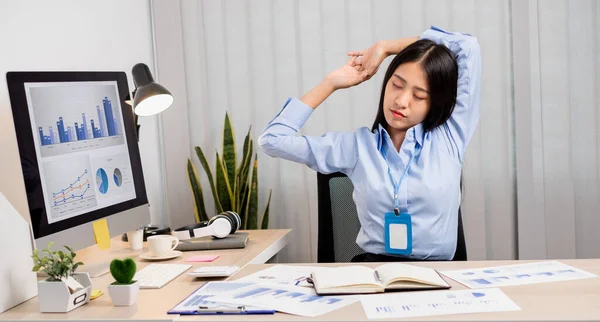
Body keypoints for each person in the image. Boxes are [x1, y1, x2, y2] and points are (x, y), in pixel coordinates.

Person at [258, 26, 481, 262]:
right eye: (396, 85)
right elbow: (273, 140)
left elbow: (466, 46)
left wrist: (386, 47)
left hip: (439, 278)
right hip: (374, 276)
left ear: (434, 103)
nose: (401, 101)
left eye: (419, 96)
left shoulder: (450, 136)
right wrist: (330, 84)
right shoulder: (356, 147)